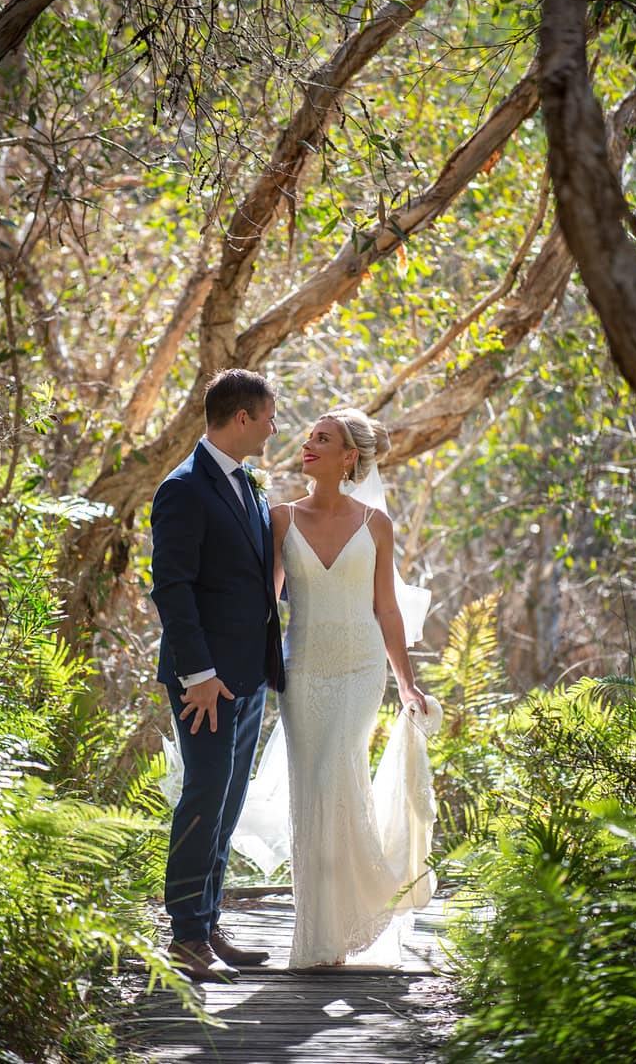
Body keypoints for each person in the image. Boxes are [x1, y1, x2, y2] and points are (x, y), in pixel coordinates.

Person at [267, 407, 435, 968]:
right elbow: (267, 605)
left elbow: (386, 608)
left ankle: (370, 899)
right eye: (309, 435)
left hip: (362, 668)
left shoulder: (376, 525)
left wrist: (406, 684)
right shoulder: (281, 519)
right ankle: (321, 934)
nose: (309, 444)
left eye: (324, 439)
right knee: (312, 790)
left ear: (350, 459)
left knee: (338, 773)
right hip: (304, 668)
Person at [150, 368, 284, 983]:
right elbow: (172, 588)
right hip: (204, 681)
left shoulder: (247, 485)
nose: (274, 428)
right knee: (204, 797)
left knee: (228, 803)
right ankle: (183, 941)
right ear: (242, 419)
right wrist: (198, 673)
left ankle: (205, 924)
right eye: (269, 417)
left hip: (248, 675)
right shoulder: (183, 488)